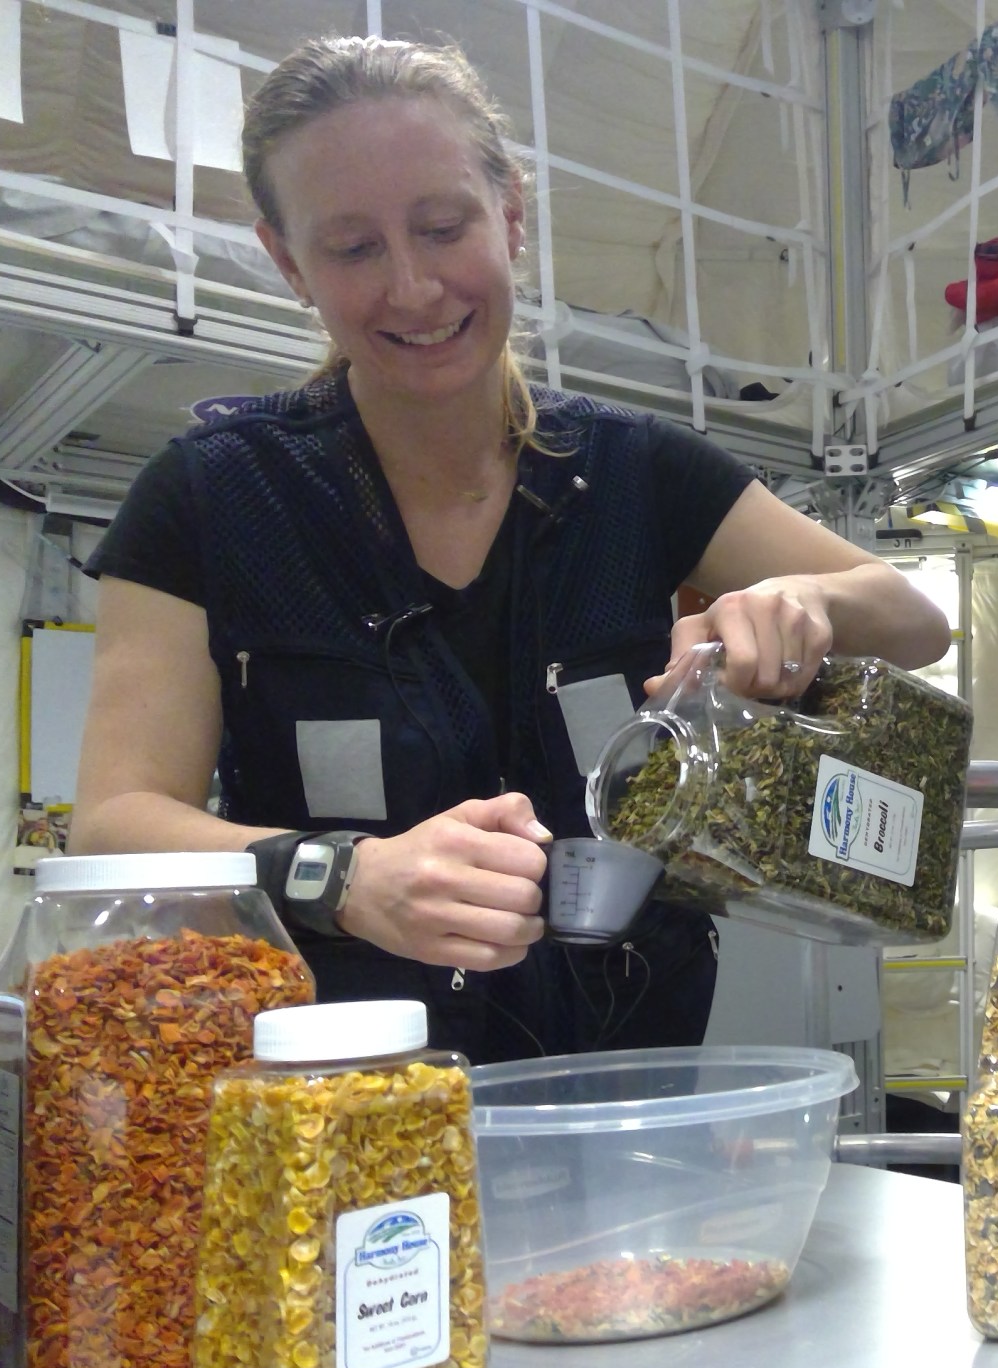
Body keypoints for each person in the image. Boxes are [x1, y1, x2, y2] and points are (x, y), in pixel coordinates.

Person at [71, 36, 949, 1064]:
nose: (412, 287)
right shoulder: (211, 496)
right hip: (342, 1098)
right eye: (351, 249)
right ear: (286, 262)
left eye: (443, 227)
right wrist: (343, 877)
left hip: (626, 1078)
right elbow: (115, 824)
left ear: (513, 215)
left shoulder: (635, 474)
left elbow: (913, 619)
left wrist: (810, 604)